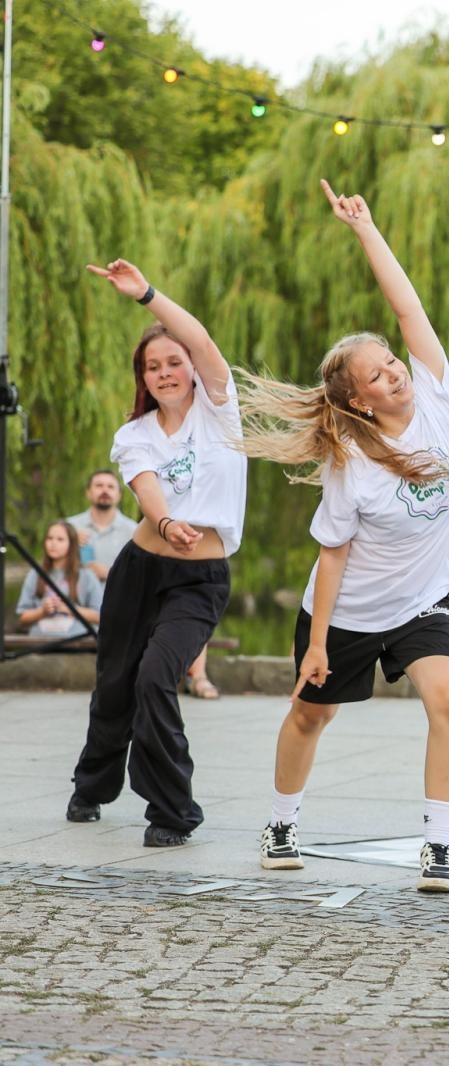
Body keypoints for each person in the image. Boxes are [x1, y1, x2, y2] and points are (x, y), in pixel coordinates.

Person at [238, 180, 449, 894]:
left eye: (392, 363)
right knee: (311, 716)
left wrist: (365, 228)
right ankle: (281, 821)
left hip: (421, 605)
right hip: (347, 613)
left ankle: (436, 844)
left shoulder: (435, 389)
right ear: (357, 399)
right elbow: (331, 555)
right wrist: (316, 643)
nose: (394, 373)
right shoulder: (353, 462)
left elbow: (408, 306)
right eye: (378, 374)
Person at [67, 260, 244, 847]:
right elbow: (144, 487)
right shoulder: (136, 433)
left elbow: (201, 338)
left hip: (199, 581)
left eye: (174, 362)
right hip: (140, 570)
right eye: (153, 366)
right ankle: (92, 786)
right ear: (143, 377)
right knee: (115, 681)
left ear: (192, 368)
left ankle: (171, 811)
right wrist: (165, 521)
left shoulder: (219, 412)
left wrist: (145, 295)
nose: (165, 372)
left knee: (153, 678)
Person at [15, 519, 102, 638]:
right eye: (49, 538)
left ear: (72, 544)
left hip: (78, 644)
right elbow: (22, 618)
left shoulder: (86, 575)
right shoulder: (35, 574)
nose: (53, 543)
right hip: (39, 643)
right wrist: (42, 611)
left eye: (60, 539)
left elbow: (100, 617)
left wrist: (68, 608)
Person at [68, 470, 137, 582]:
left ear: (119, 495)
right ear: (88, 492)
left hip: (118, 599)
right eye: (99, 485)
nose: (105, 490)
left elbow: (141, 576)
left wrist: (110, 574)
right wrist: (69, 544)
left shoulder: (134, 532)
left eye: (110, 487)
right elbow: (55, 570)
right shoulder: (70, 527)